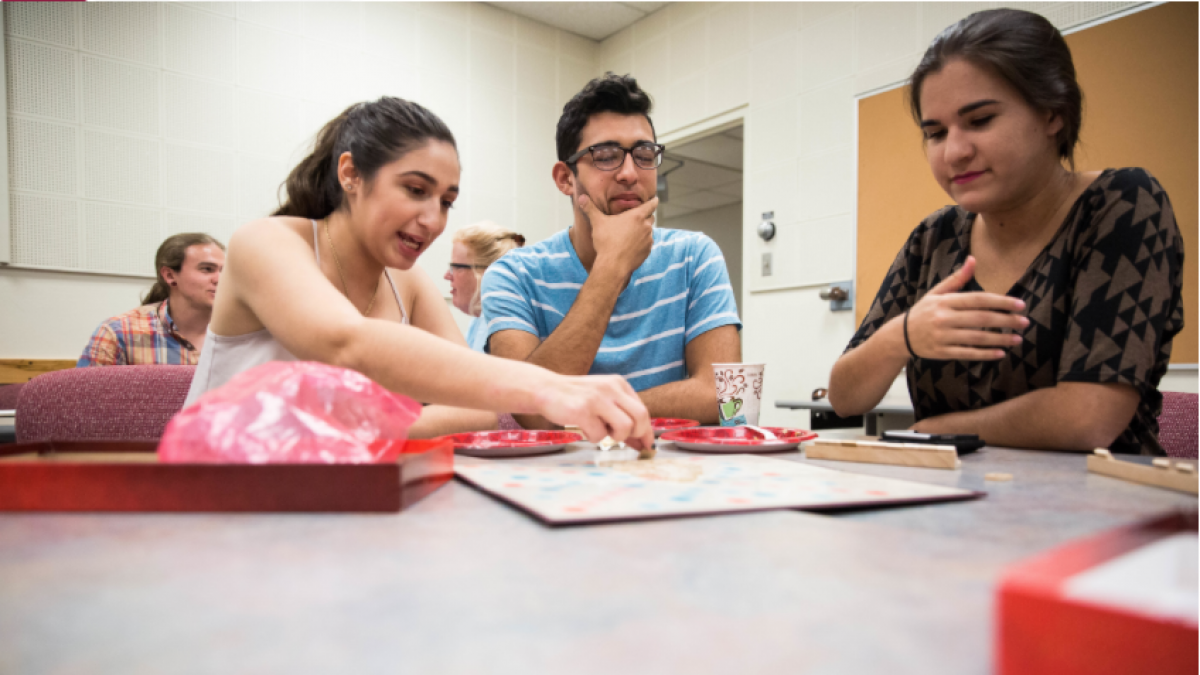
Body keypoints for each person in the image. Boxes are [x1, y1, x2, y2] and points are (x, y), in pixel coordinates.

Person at [184, 97, 652, 450]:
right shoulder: (266, 242)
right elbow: (346, 342)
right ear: (350, 174)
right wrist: (552, 387)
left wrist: (345, 432)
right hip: (220, 490)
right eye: (414, 189)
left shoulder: (406, 284)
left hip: (333, 495)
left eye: (446, 201)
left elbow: (479, 410)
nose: (433, 220)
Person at [827, 9, 1184, 455]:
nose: (954, 152)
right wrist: (903, 335)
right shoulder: (935, 237)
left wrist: (937, 429)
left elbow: (1087, 417)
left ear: (1053, 112)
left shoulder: (1122, 202)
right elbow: (844, 397)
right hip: (955, 504)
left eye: (980, 121)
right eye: (935, 133)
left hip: (1103, 500)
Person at [481, 73, 742, 429]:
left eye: (645, 154)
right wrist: (612, 267)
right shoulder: (513, 274)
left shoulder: (695, 256)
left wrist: (586, 409)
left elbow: (723, 396)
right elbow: (533, 412)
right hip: (559, 479)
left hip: (674, 472)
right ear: (565, 179)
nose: (630, 173)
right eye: (605, 156)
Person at [77, 233, 225, 367]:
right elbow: (86, 396)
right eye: (207, 269)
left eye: (224, 271)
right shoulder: (118, 333)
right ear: (169, 276)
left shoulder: (241, 333)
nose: (220, 279)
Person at [444, 221, 525, 352]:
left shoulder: (504, 325)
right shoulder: (481, 319)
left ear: (487, 273)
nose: (447, 276)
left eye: (457, 267)